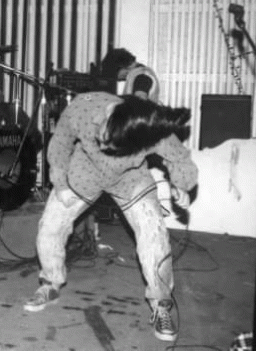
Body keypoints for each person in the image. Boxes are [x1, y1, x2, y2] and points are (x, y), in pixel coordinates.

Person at [23, 92, 198, 342]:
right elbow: (60, 143)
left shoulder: (149, 130)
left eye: (112, 145)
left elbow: (180, 158)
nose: (104, 147)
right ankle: (50, 284)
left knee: (154, 236)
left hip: (130, 179)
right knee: (50, 226)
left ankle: (161, 304)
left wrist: (180, 184)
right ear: (108, 114)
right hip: (85, 172)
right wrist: (60, 183)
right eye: (103, 137)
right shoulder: (83, 108)